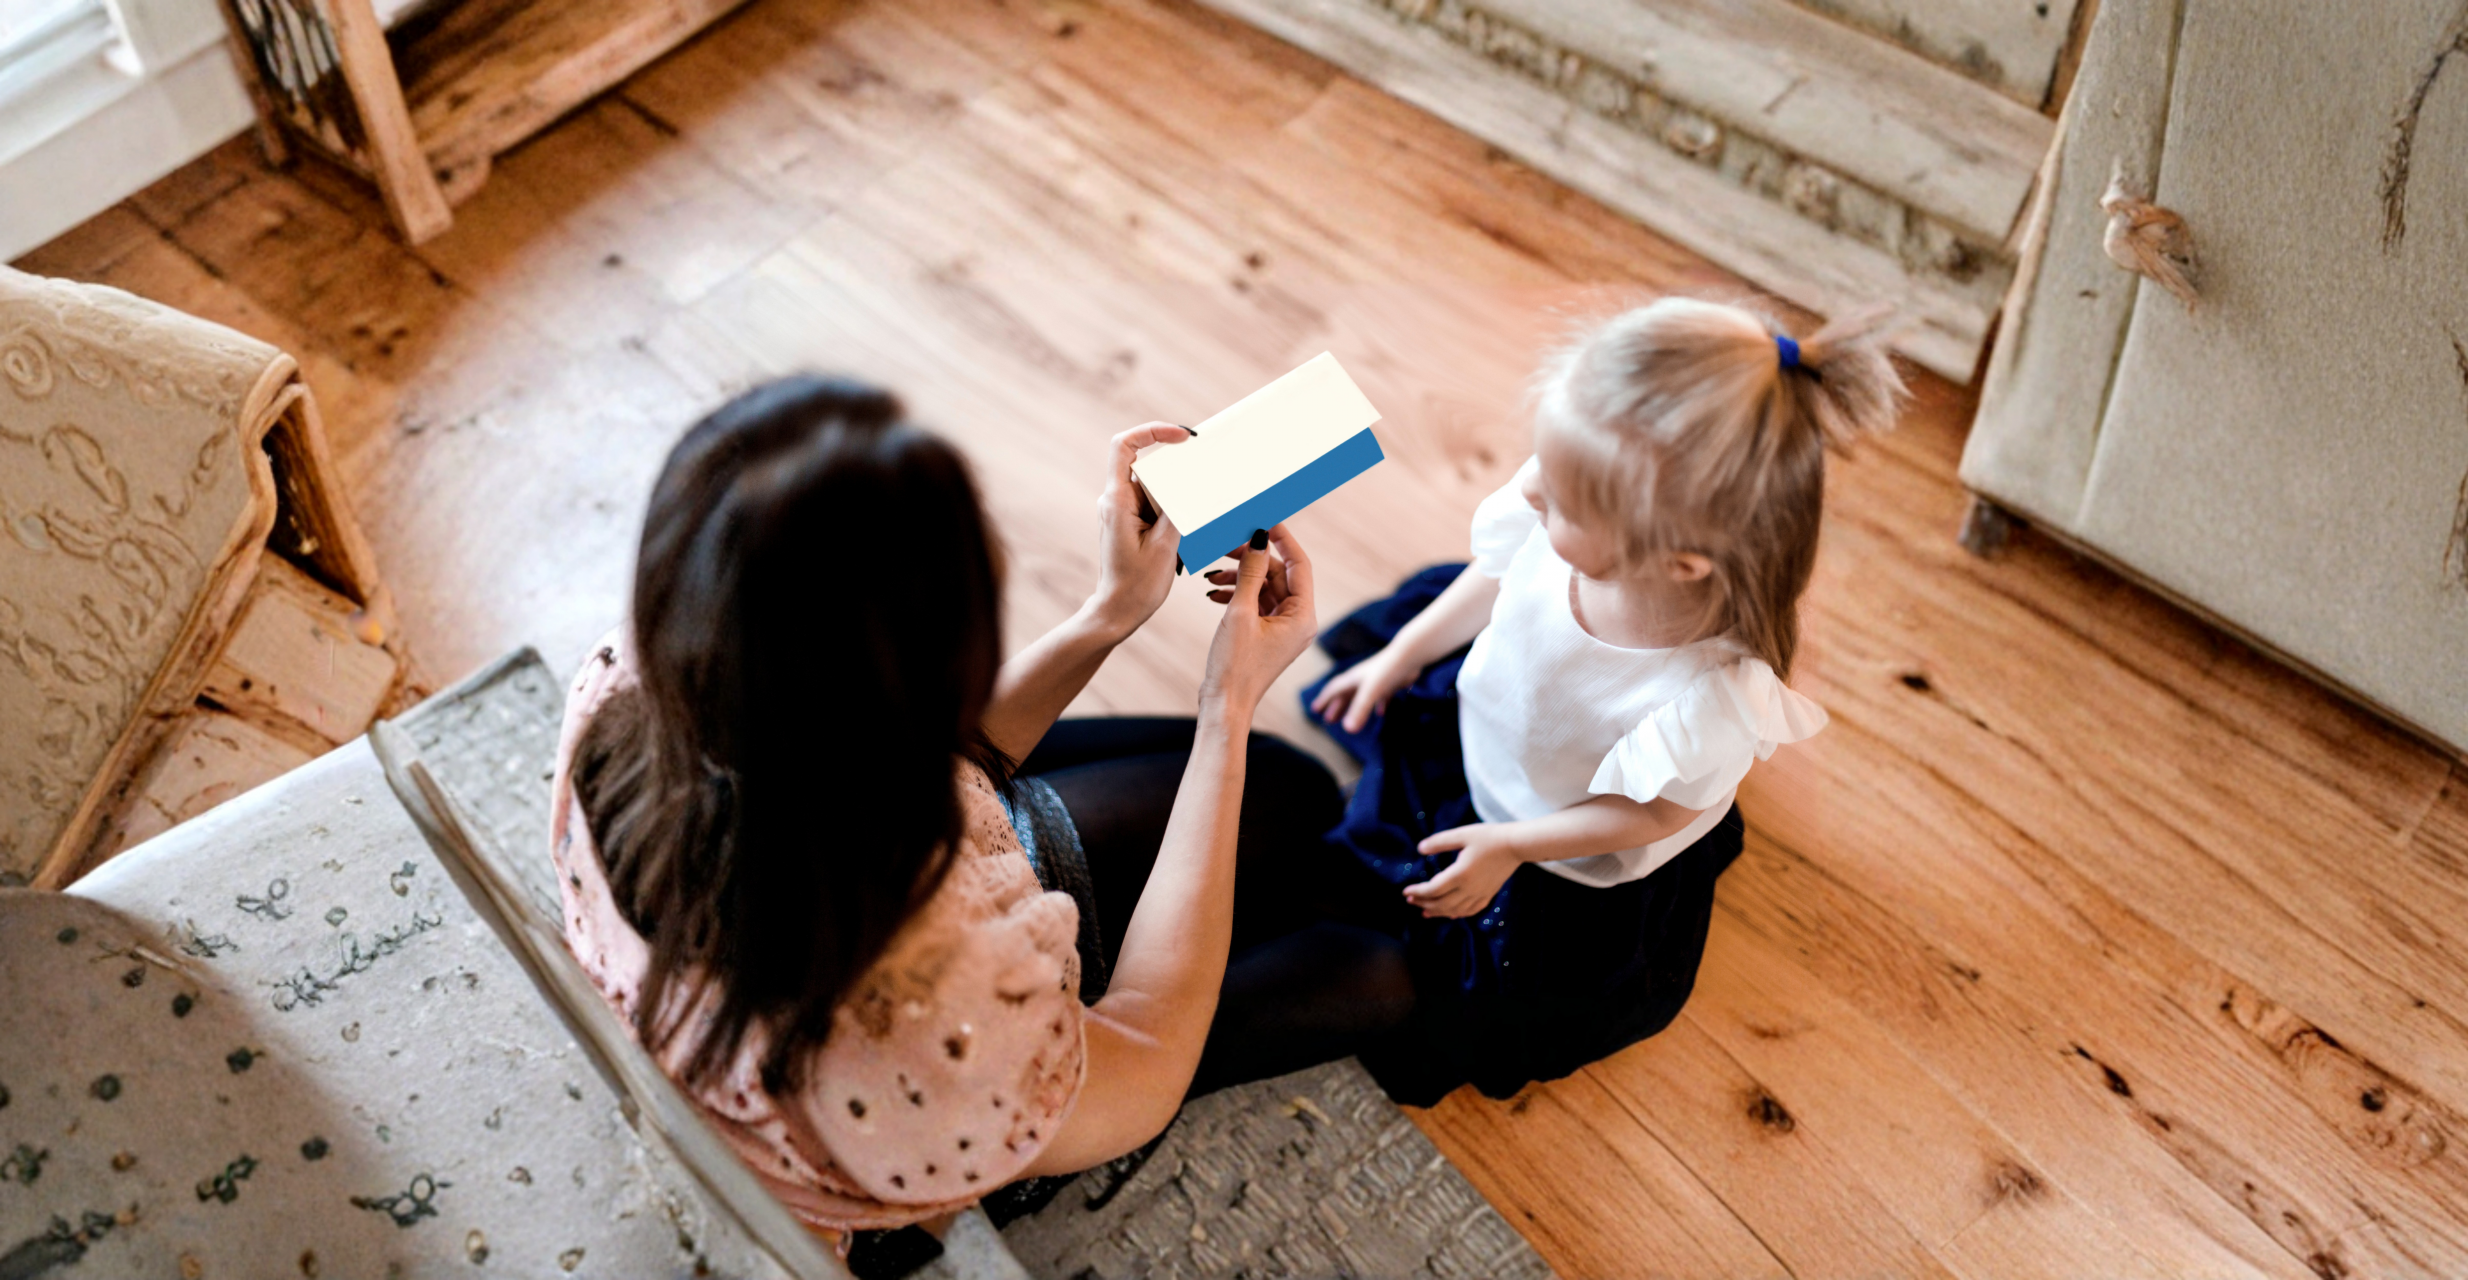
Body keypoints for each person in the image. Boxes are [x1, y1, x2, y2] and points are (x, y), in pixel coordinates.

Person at [546, 376, 1407, 1261]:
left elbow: (955, 763)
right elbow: (1144, 1053)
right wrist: (1226, 706)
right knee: (1380, 969)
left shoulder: (625, 685)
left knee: (1291, 790)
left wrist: (1110, 612)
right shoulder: (939, 1016)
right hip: (912, 1115)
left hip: (840, 966)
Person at [1304, 296, 1905, 1105]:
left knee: (1468, 991)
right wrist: (1402, 654)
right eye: (1541, 471)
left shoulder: (1704, 698)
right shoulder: (1565, 522)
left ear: (1682, 562)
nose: (1528, 494)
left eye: (1561, 502)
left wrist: (1517, 845)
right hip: (1497, 735)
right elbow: (1495, 576)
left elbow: (1654, 818)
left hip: (1560, 827)